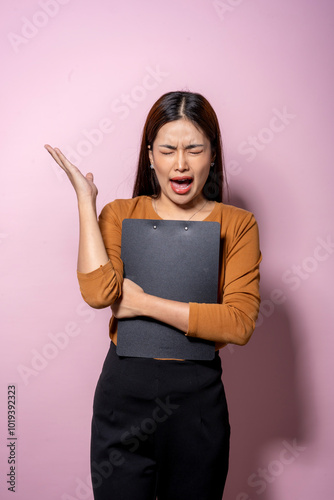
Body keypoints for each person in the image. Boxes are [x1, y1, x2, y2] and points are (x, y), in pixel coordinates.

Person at [45, 90, 261, 500]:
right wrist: (86, 203)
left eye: (194, 149)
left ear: (213, 155)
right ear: (150, 156)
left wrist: (142, 303)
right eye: (168, 149)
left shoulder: (238, 224)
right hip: (123, 397)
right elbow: (98, 292)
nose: (180, 163)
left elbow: (239, 323)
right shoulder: (121, 213)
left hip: (197, 405)